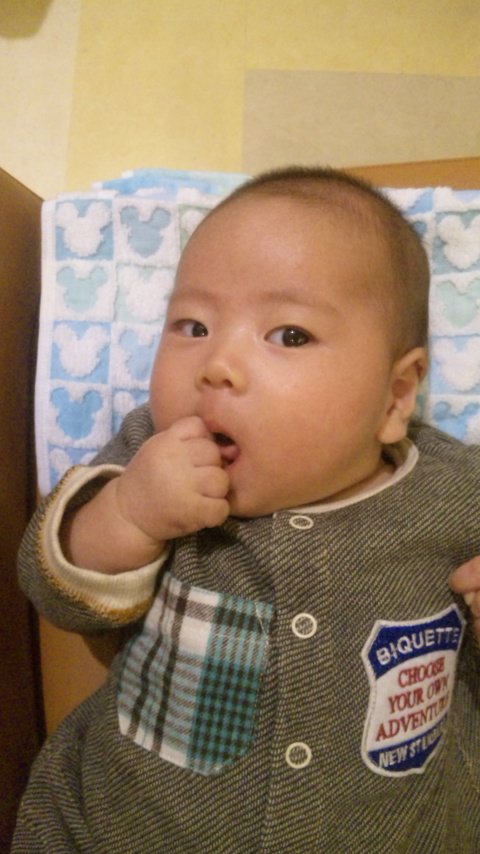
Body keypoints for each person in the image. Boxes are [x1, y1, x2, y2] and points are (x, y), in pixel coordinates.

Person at [13, 166, 480, 853]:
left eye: (288, 335)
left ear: (395, 396)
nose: (217, 364)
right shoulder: (152, 457)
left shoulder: (456, 491)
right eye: (192, 325)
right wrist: (131, 515)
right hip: (125, 824)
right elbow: (52, 587)